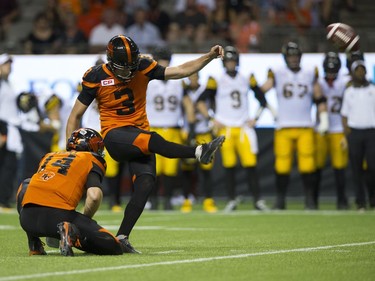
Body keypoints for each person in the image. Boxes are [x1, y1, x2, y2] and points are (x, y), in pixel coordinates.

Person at [66, 35, 225, 253]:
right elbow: (75, 115)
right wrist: (71, 149)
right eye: (125, 67)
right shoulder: (95, 76)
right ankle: (199, 151)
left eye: (133, 66)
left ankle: (122, 236)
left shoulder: (142, 65)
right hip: (115, 135)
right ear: (111, 61)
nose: (130, 71)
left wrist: (208, 56)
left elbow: (180, 71)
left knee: (146, 184)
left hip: (139, 136)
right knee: (154, 140)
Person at [16, 128, 128, 256]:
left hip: (27, 220)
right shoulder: (90, 158)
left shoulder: (49, 156)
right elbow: (94, 196)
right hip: (58, 217)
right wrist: (86, 221)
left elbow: (24, 189)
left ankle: (34, 243)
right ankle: (71, 233)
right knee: (113, 245)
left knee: (26, 185)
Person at [252, 41, 328, 210]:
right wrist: (266, 104)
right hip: (284, 126)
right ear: (285, 58)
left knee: (308, 164)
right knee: (282, 165)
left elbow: (319, 96)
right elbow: (261, 91)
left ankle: (309, 200)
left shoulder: (310, 72)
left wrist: (324, 118)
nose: (293, 59)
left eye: (296, 56)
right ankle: (280, 201)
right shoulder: (277, 73)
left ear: (300, 57)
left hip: (305, 126)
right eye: (290, 56)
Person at [198, 46, 269, 212]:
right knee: (229, 167)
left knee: (250, 165)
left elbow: (262, 100)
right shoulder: (216, 78)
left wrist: (256, 118)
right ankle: (231, 199)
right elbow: (201, 101)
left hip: (243, 128)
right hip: (226, 129)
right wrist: (211, 119)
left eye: (233, 61)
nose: (231, 64)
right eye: (228, 61)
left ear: (237, 62)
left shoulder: (246, 77)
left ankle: (257, 200)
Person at [145, 47, 194, 210]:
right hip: (153, 128)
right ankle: (153, 200)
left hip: (173, 128)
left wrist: (190, 127)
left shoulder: (178, 82)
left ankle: (167, 199)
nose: (164, 65)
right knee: (155, 168)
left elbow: (188, 106)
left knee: (171, 169)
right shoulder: (148, 80)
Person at [314, 52, 350, 210]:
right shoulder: (318, 82)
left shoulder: (345, 81)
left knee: (340, 167)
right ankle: (313, 200)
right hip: (321, 130)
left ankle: (342, 199)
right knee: (317, 166)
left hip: (339, 129)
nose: (330, 76)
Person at [179, 72, 218, 213]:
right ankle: (186, 199)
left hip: (204, 132)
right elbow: (181, 109)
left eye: (195, 76)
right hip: (189, 133)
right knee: (187, 169)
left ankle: (208, 200)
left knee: (206, 169)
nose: (193, 78)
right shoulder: (183, 90)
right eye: (191, 76)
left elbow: (213, 105)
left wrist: (212, 120)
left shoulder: (206, 90)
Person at [341, 60, 375, 211]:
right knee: (356, 169)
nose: (360, 73)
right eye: (357, 70)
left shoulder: (373, 90)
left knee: (373, 167)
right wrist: (346, 134)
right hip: (354, 132)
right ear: (353, 73)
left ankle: (373, 198)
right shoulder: (349, 92)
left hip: (371, 132)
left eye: (362, 70)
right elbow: (344, 115)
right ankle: (360, 201)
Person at [0, 53, 22, 211]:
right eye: (6, 64)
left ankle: (3, 200)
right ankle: (2, 201)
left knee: (9, 165)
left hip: (10, 128)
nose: (9, 67)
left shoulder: (7, 83)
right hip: (3, 127)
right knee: (6, 166)